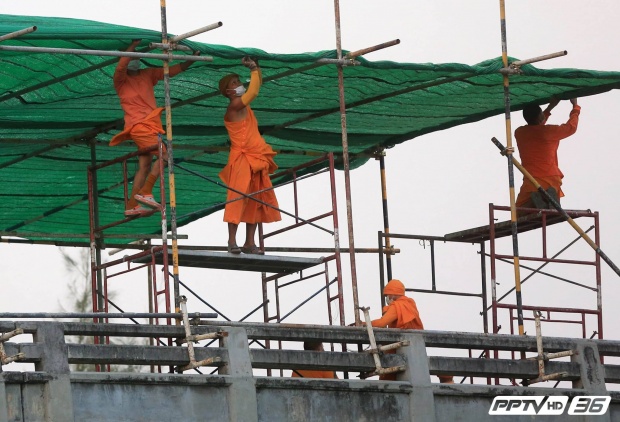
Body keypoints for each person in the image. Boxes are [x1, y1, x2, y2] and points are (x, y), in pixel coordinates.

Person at [110, 39, 199, 217]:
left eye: (136, 57)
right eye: (130, 57)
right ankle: (146, 191)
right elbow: (120, 68)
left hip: (151, 126)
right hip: (139, 127)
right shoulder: (121, 81)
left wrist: (191, 60)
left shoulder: (147, 74)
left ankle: (131, 206)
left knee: (144, 166)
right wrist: (132, 46)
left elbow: (169, 72)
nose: (133, 60)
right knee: (165, 154)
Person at [218, 56, 281, 254]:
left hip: (256, 158)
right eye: (234, 83)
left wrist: (257, 68)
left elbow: (256, 84)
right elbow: (254, 90)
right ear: (228, 92)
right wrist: (253, 68)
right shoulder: (234, 106)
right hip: (242, 159)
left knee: (256, 200)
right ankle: (231, 241)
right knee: (237, 198)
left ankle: (249, 243)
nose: (239, 85)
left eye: (238, 81)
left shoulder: (244, 106)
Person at [371, 279, 454, 383]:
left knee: (387, 380)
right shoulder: (410, 304)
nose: (387, 298)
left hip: (400, 349)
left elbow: (381, 323)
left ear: (392, 295)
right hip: (416, 347)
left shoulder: (397, 306)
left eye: (387, 295)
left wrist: (363, 324)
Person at [514, 98, 581, 214]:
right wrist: (575, 106)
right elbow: (571, 127)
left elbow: (536, 126)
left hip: (531, 179)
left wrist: (549, 108)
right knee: (552, 208)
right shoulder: (548, 131)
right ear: (540, 117)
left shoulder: (519, 133)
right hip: (551, 178)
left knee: (518, 212)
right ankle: (544, 200)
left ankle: (539, 200)